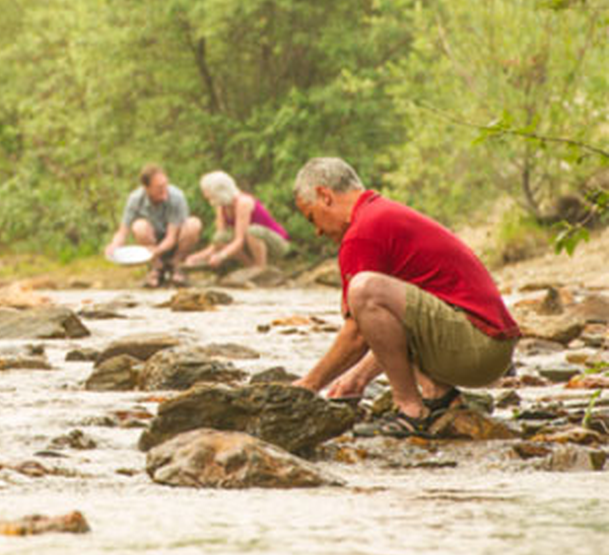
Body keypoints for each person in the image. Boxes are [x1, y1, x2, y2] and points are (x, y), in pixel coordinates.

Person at [289, 157, 520, 437]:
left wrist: (309, 385)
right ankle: (439, 397)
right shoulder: (381, 214)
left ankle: (411, 409)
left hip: (479, 349)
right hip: (490, 350)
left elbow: (357, 335)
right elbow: (387, 328)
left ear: (325, 196)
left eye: (311, 217)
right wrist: (357, 378)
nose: (317, 231)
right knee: (381, 298)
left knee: (364, 290)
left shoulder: (362, 233)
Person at [104, 164, 204, 287]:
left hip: (174, 242)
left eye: (165, 184)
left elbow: (171, 238)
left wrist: (156, 251)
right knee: (139, 226)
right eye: (159, 187)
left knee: (193, 224)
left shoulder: (176, 197)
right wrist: (114, 246)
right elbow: (122, 232)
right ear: (147, 188)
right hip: (151, 244)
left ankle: (176, 267)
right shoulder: (135, 199)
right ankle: (157, 268)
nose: (164, 189)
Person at [186, 170, 291, 270]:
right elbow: (218, 243)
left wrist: (221, 256)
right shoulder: (221, 206)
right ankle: (250, 267)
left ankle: (260, 268)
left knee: (252, 231)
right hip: (249, 243)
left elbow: (239, 240)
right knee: (221, 237)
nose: (205, 195)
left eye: (207, 191)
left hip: (277, 243)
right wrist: (198, 257)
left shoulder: (243, 203)